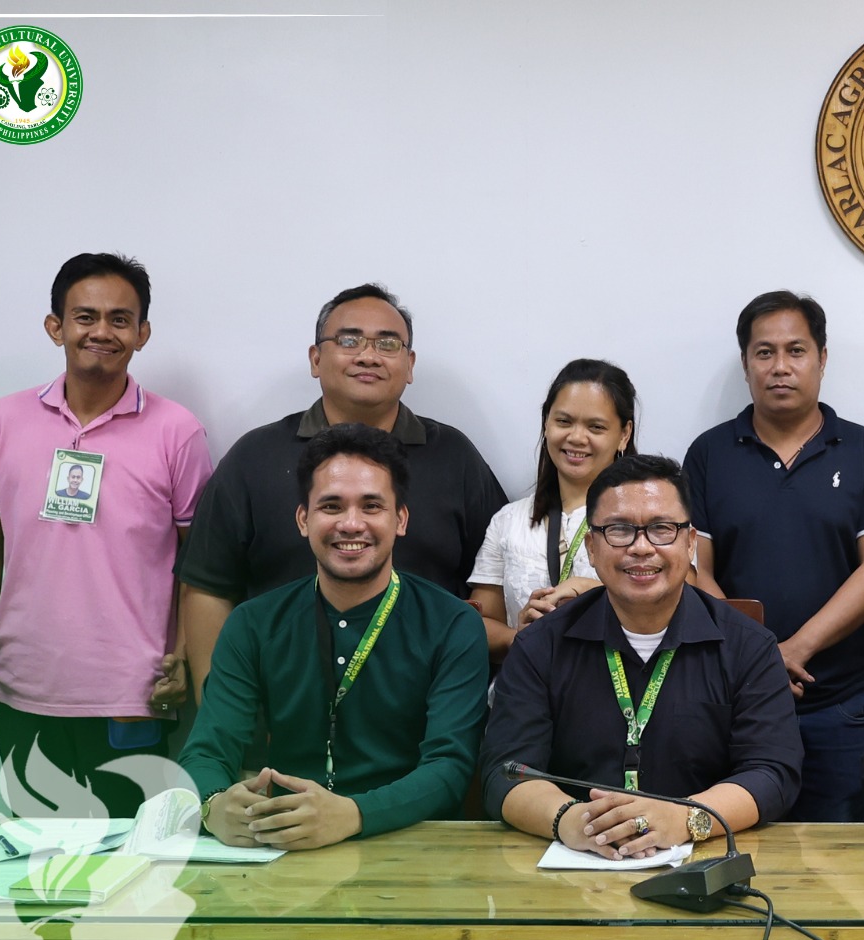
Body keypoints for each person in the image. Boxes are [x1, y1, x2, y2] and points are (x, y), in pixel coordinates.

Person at [0, 252, 211, 816]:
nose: (102, 331)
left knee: (132, 870)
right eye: (85, 316)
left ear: (142, 333)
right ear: (56, 327)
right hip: (25, 687)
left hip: (134, 692)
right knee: (38, 863)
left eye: (121, 319)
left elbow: (202, 562)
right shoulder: (1, 421)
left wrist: (182, 653)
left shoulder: (178, 431)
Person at [177, 283, 507, 693]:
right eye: (349, 340)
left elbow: (496, 578)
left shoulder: (454, 457)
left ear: (410, 364)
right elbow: (208, 585)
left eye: (388, 343)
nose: (368, 355)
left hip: (429, 712)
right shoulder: (254, 456)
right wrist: (220, 710)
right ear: (316, 358)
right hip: (280, 713)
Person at [180, 424, 487, 849]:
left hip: (412, 845)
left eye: (372, 506)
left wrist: (355, 814)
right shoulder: (253, 623)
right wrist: (213, 806)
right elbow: (206, 752)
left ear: (400, 520)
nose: (351, 523)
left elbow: (450, 767)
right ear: (304, 520)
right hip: (283, 843)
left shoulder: (453, 623)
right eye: (331, 506)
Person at [479, 455, 802, 857]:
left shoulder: (749, 647)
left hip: (707, 860)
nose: (642, 547)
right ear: (593, 548)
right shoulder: (539, 645)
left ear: (689, 542)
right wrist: (570, 821)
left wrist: (685, 819)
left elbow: (773, 773)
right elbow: (505, 772)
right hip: (576, 861)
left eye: (661, 529)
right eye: (619, 530)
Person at [683, 290, 864, 822]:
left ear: (822, 359)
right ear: (745, 363)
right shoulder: (708, 454)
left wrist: (795, 649)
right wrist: (763, 655)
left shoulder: (862, 449)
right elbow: (693, 571)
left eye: (796, 351)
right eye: (764, 352)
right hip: (735, 704)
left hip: (836, 706)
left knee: (841, 871)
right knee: (731, 854)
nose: (780, 366)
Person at [468, 360, 636, 657]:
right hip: (527, 690)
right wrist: (518, 636)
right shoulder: (509, 520)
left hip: (626, 692)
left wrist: (594, 590)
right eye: (564, 421)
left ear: (624, 434)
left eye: (595, 427)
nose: (576, 437)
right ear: (546, 423)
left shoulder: (652, 517)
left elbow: (682, 603)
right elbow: (479, 622)